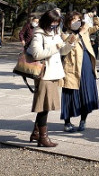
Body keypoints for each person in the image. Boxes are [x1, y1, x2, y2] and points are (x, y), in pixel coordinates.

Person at [28, 9, 70, 147]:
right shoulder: (38, 34)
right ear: (47, 21)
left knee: (45, 104)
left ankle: (36, 133)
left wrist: (69, 44)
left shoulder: (55, 32)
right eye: (53, 23)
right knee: (44, 105)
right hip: (44, 73)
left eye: (57, 24)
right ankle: (43, 137)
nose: (54, 26)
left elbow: (62, 51)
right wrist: (55, 47)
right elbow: (36, 54)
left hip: (54, 72)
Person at [60, 11, 99, 132]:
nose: (76, 22)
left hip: (86, 65)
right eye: (73, 20)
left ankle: (83, 120)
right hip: (72, 68)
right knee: (69, 95)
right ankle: (67, 122)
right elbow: (70, 42)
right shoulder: (65, 34)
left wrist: (94, 16)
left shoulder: (86, 30)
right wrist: (80, 32)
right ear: (68, 22)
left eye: (78, 19)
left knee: (86, 93)